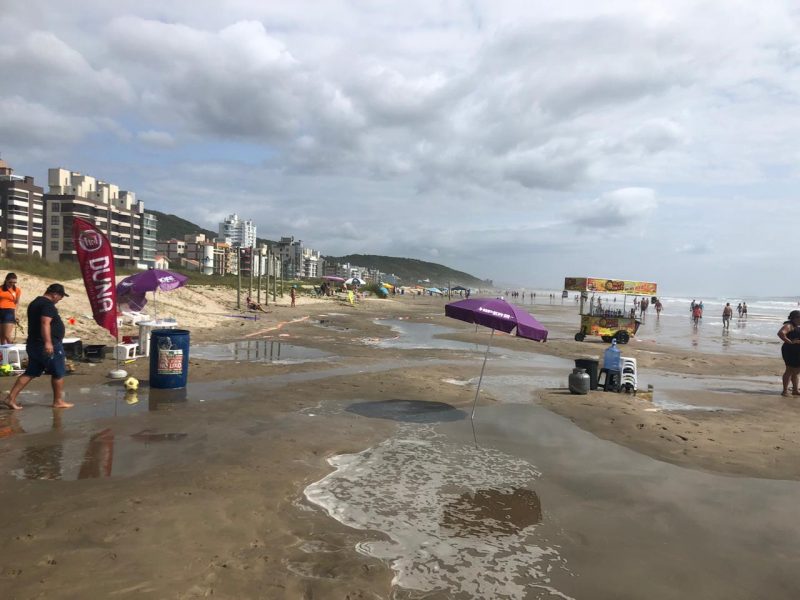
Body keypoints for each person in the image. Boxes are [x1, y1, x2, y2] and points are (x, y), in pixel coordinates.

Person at [3, 284, 73, 410]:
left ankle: (10, 398)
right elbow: (45, 323)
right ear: (54, 294)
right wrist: (48, 342)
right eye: (61, 296)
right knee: (58, 372)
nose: (60, 299)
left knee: (30, 372)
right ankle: (58, 401)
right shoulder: (47, 305)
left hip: (34, 344)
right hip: (46, 344)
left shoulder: (35, 303)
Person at [778, 310, 800, 397]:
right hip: (790, 351)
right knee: (789, 370)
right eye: (799, 317)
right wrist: (790, 342)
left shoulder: (795, 326)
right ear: (794, 318)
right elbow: (781, 333)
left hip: (796, 351)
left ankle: (795, 390)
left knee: (796, 371)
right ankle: (785, 391)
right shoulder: (789, 325)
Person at [0, 272, 21, 345]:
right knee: (1, 336)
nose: (12, 284)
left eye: (14, 282)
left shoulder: (17, 290)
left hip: (9, 311)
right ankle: (3, 352)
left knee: (7, 335)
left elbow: (17, 303)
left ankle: (13, 348)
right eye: (10, 282)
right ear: (6, 280)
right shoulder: (0, 288)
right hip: (0, 311)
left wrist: (15, 314)